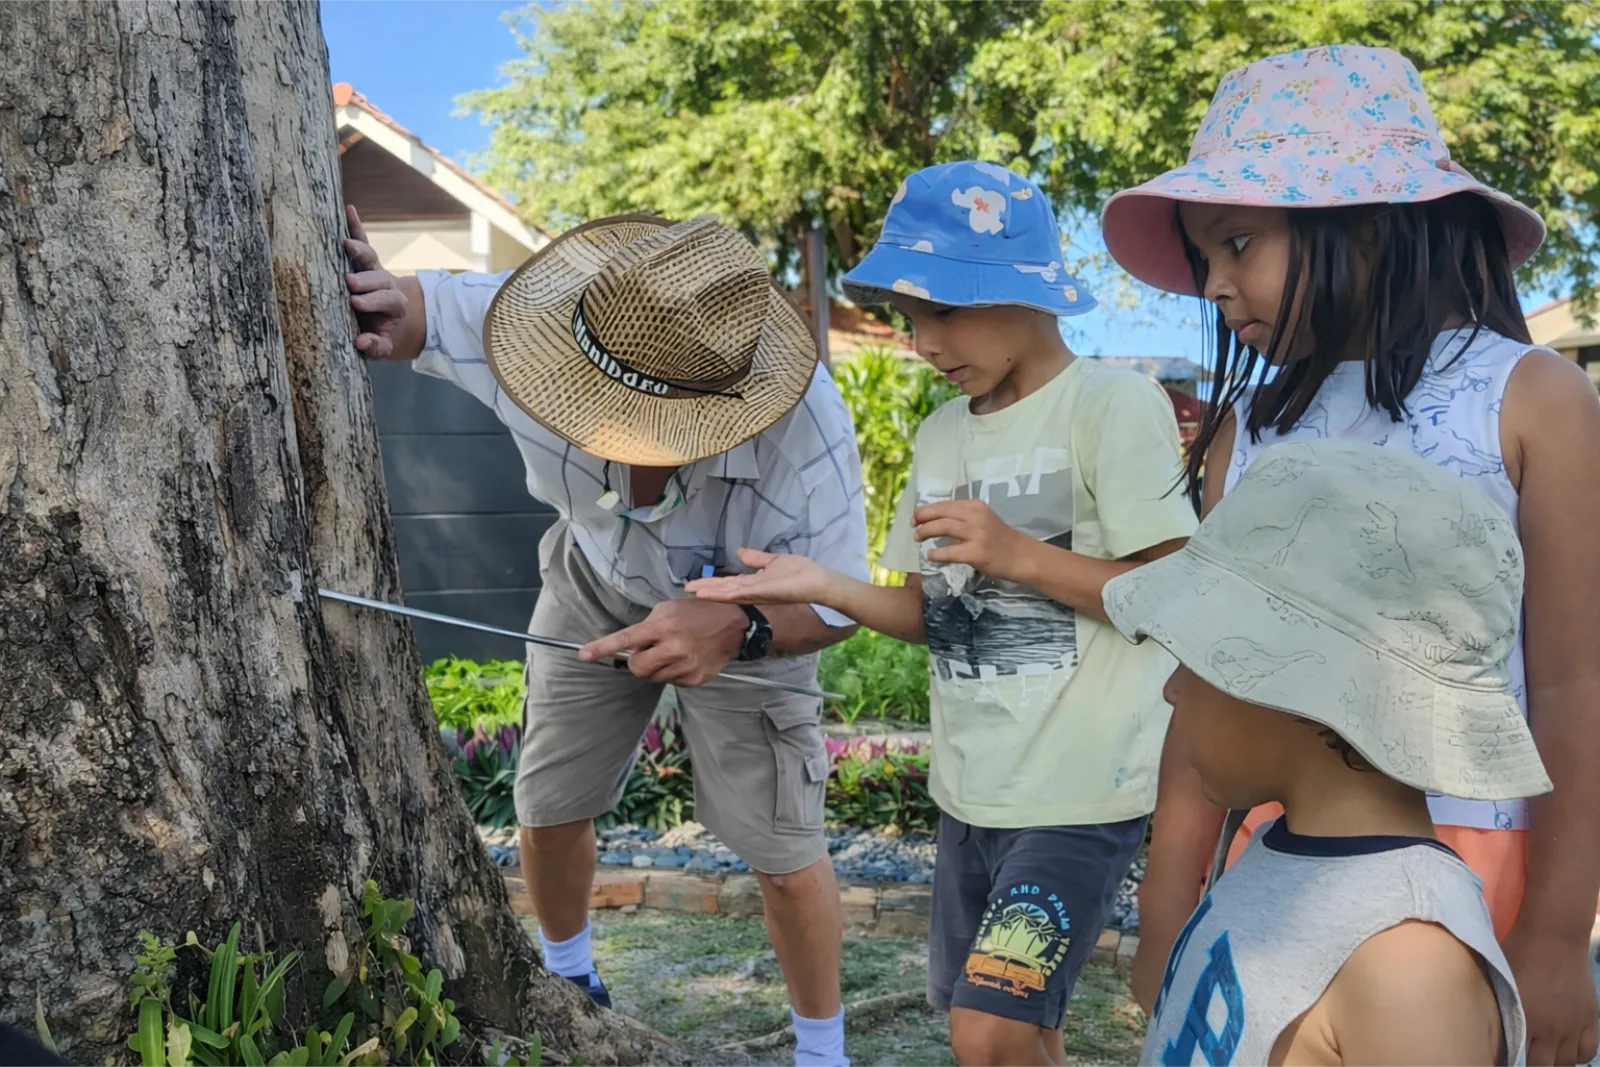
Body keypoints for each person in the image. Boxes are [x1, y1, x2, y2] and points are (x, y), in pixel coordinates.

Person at [1100, 42, 1600, 1066]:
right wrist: (1167, 904)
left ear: (1366, 224)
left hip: (1479, 849)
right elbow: (1213, 663)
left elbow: (1572, 679)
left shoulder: (1533, 399)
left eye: (1236, 242)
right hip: (1277, 850)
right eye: (1204, 258)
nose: (1216, 287)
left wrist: (1554, 932)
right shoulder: (1248, 427)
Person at [688, 160, 1196, 1067]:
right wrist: (824, 584)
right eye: (910, 317)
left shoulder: (1112, 406)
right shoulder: (939, 435)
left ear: (1024, 291)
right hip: (970, 794)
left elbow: (1169, 593)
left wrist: (1018, 554)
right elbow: (933, 612)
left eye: (946, 310)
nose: (923, 341)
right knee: (1018, 1033)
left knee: (985, 1029)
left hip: (1077, 797)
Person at [343, 210, 869, 1067]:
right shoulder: (519, 327)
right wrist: (374, 301)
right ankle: (569, 978)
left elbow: (844, 604)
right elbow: (409, 310)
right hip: (593, 577)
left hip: (753, 605)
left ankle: (821, 1051)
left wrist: (737, 626)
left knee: (782, 844)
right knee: (548, 803)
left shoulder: (805, 431)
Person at [1102, 437, 1542, 1066]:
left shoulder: (1407, 959)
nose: (1174, 687)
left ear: (1306, 685)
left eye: (1200, 657)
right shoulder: (1278, 850)